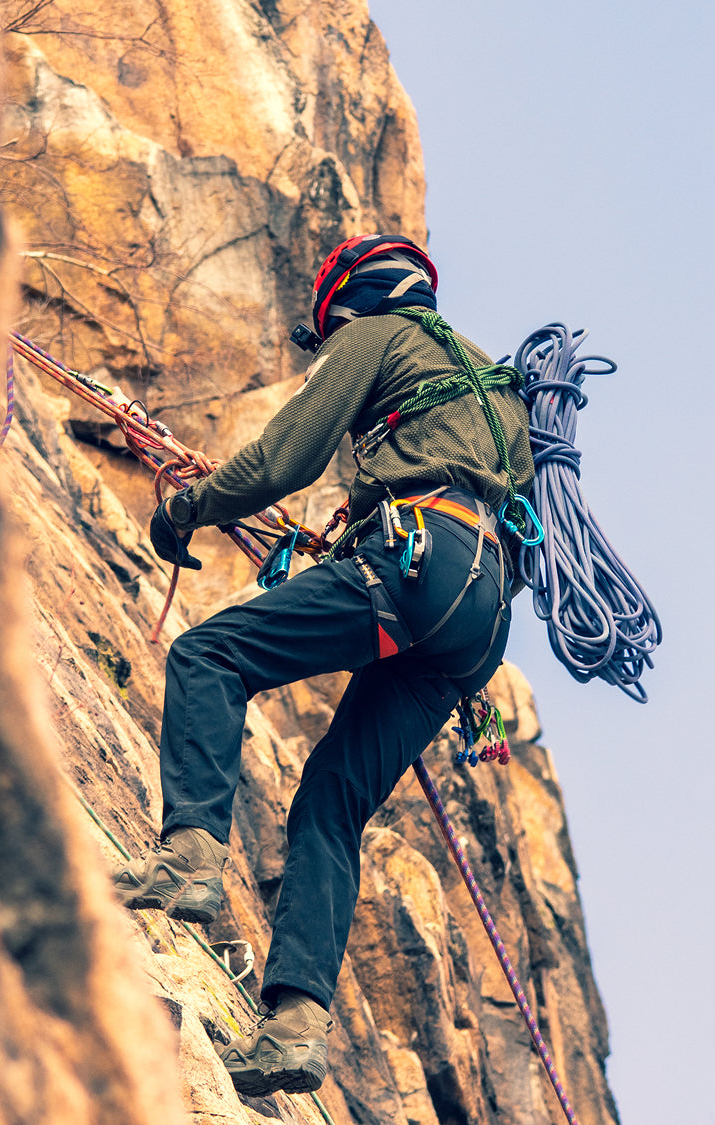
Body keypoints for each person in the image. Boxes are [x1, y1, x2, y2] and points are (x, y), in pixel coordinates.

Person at [111, 234, 534, 1097]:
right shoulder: (497, 387)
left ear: (348, 300)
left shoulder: (373, 338)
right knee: (333, 801)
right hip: (477, 626)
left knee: (210, 655)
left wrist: (190, 506)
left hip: (418, 566)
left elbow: (286, 457)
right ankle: (294, 1030)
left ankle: (189, 859)